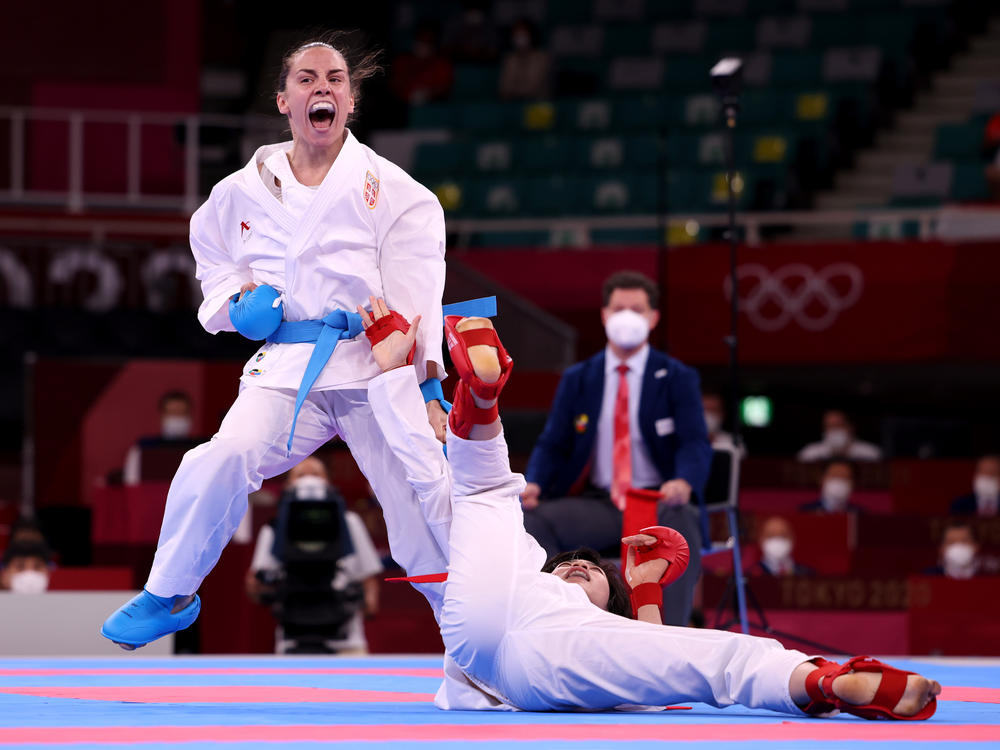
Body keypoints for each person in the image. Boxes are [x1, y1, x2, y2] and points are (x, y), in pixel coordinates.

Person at [355, 297, 940, 719]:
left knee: (702, 655)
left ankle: (478, 400)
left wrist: (645, 593)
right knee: (472, 495)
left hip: (516, 649)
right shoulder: (528, 563)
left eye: (590, 571)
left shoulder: (597, 628)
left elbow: (657, 663)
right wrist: (395, 380)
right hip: (499, 591)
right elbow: (433, 486)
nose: (579, 565)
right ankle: (819, 680)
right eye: (574, 567)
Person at [101, 33, 448, 650]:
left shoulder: (395, 190)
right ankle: (170, 592)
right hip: (290, 363)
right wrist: (237, 307)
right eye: (309, 79)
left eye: (336, 79)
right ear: (284, 99)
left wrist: (427, 385)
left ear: (351, 99)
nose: (323, 88)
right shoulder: (239, 190)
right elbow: (214, 259)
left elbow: (419, 293)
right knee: (221, 455)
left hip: (375, 363)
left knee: (420, 502)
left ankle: (477, 643)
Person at [520, 270, 712, 626]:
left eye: (637, 309)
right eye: (619, 308)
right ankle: (553, 625)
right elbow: (553, 442)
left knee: (682, 525)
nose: (627, 317)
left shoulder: (676, 377)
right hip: (597, 505)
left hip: (658, 505)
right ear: (605, 315)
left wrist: (683, 481)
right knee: (531, 520)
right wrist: (535, 483)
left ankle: (671, 639)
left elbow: (695, 443)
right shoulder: (579, 378)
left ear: (653, 318)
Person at [246, 455, 383, 654]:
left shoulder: (350, 522)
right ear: (287, 485)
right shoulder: (274, 529)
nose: (309, 481)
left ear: (328, 482)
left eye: (316, 474)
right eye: (300, 475)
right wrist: (259, 585)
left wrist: (367, 603)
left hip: (347, 643)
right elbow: (257, 586)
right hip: (292, 643)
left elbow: (369, 580)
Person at [122, 390, 200, 485]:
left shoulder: (200, 449)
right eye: (172, 413)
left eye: (181, 413)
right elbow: (131, 483)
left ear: (190, 416)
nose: (176, 418)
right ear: (162, 416)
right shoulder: (143, 448)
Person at [389, 21, 454, 105]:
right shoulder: (402, 61)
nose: (424, 43)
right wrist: (407, 94)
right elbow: (394, 84)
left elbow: (444, 88)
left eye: (428, 41)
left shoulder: (442, 64)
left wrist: (428, 94)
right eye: (421, 39)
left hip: (432, 106)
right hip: (402, 105)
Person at [797, 410, 882, 462]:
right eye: (829, 426)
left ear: (850, 428)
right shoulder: (809, 454)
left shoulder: (870, 454)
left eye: (838, 425)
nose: (834, 430)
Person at [498, 18, 551, 100]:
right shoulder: (510, 59)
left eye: (523, 34)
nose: (520, 37)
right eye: (516, 34)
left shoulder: (542, 58)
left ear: (531, 35)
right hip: (513, 105)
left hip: (538, 105)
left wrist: (515, 93)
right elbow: (505, 88)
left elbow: (532, 88)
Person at [799, 460, 864, 514]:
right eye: (834, 476)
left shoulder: (860, 514)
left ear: (853, 483)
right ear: (821, 479)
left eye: (845, 477)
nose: (839, 482)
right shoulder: (805, 512)